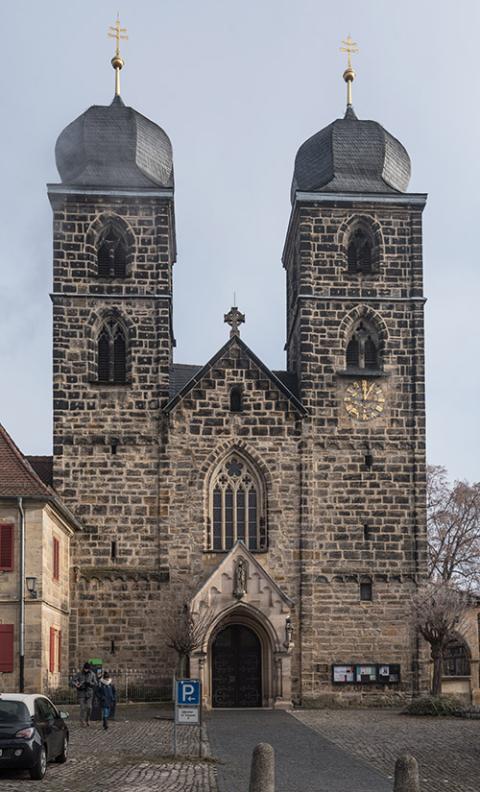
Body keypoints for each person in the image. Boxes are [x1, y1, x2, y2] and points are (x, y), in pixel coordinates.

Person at [73, 662, 97, 727]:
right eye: (85, 669)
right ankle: (82, 721)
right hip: (81, 692)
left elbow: (95, 683)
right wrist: (77, 684)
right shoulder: (79, 674)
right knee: (82, 708)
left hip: (89, 693)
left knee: (89, 707)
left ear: (89, 669)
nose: (86, 670)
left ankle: (87, 720)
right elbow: (73, 680)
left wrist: (90, 683)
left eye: (87, 669)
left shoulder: (92, 674)